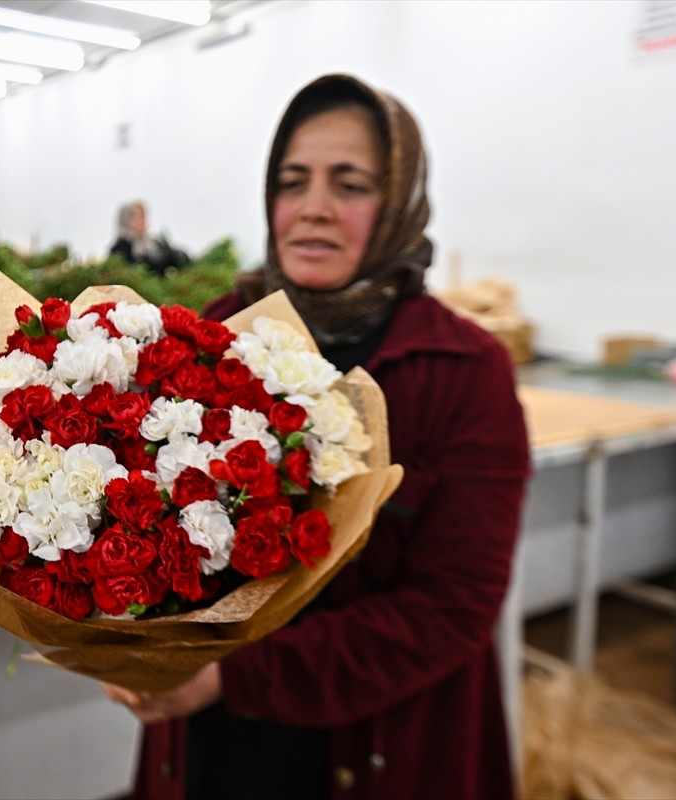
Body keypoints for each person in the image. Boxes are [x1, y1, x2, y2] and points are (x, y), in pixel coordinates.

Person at [103, 74, 531, 800]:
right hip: (208, 741)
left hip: (372, 747)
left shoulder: (462, 372)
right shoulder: (216, 332)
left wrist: (232, 675)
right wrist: (124, 633)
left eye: (350, 185)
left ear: (399, 204)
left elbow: (453, 606)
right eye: (292, 181)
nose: (313, 208)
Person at [108, 201, 189, 276]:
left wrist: (175, 256)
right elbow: (128, 271)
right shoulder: (121, 247)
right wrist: (149, 261)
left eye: (142, 216)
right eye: (135, 217)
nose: (141, 221)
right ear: (125, 220)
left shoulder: (153, 243)